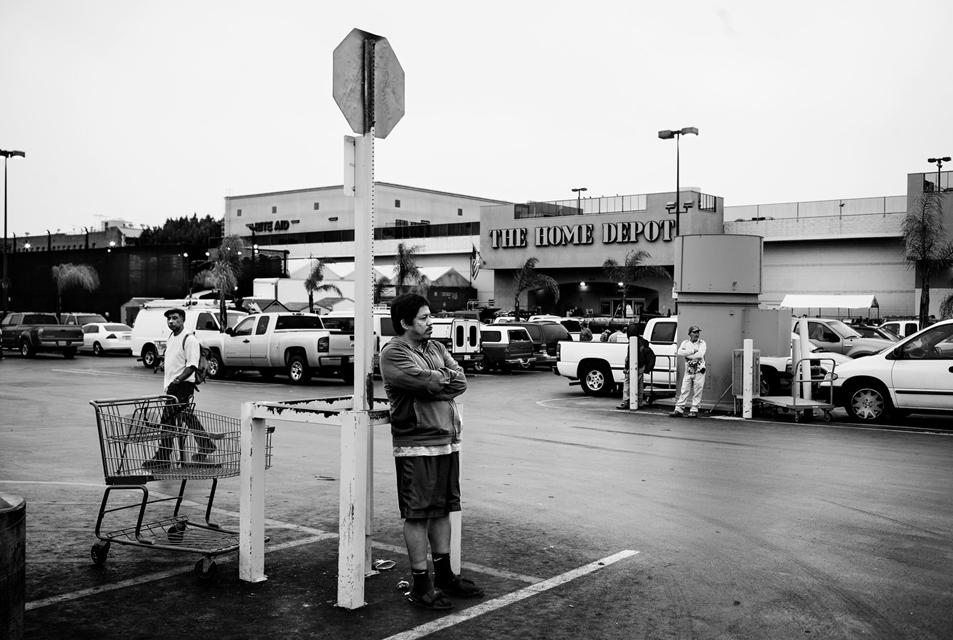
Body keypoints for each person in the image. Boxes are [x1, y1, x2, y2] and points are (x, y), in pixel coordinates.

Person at [379, 293, 484, 611]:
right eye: (424, 318)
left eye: (430, 316)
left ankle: (445, 576)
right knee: (417, 514)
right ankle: (422, 583)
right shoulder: (393, 353)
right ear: (405, 323)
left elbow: (460, 382)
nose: (431, 322)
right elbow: (424, 383)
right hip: (416, 444)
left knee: (442, 509)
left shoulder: (436, 348)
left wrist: (441, 380)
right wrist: (441, 379)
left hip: (447, 442)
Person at [143, 308, 219, 469]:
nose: (171, 321)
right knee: (186, 417)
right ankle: (206, 444)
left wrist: (177, 381)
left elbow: (191, 365)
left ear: (183, 320)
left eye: (175, 318)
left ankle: (163, 457)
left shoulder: (189, 339)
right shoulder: (171, 337)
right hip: (173, 385)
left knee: (167, 422)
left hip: (182, 386)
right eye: (169, 319)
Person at [670, 325, 707, 418]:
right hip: (689, 370)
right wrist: (693, 351)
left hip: (699, 370)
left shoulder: (702, 343)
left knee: (698, 390)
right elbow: (679, 352)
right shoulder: (685, 343)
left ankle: (694, 409)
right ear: (690, 333)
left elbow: (700, 354)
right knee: (684, 389)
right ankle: (679, 409)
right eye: (694, 332)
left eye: (698, 332)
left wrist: (688, 354)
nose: (697, 334)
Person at [616, 323, 648, 410]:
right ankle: (640, 401)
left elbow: (629, 357)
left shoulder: (632, 342)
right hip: (642, 366)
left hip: (633, 366)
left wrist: (626, 368)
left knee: (627, 382)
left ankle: (626, 401)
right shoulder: (643, 341)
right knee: (640, 383)